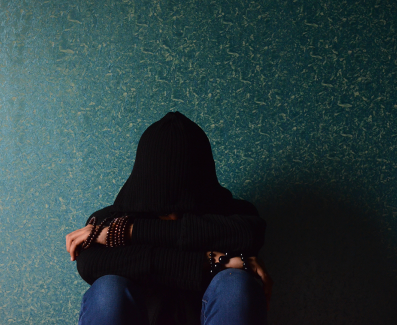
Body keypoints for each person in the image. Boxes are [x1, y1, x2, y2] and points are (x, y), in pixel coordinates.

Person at [65, 112, 272, 325]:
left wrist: (129, 232)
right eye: (161, 210)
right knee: (109, 289)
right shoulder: (109, 219)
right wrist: (211, 260)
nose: (174, 217)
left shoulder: (235, 217)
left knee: (235, 284)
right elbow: (89, 265)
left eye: (186, 210)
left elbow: (250, 234)